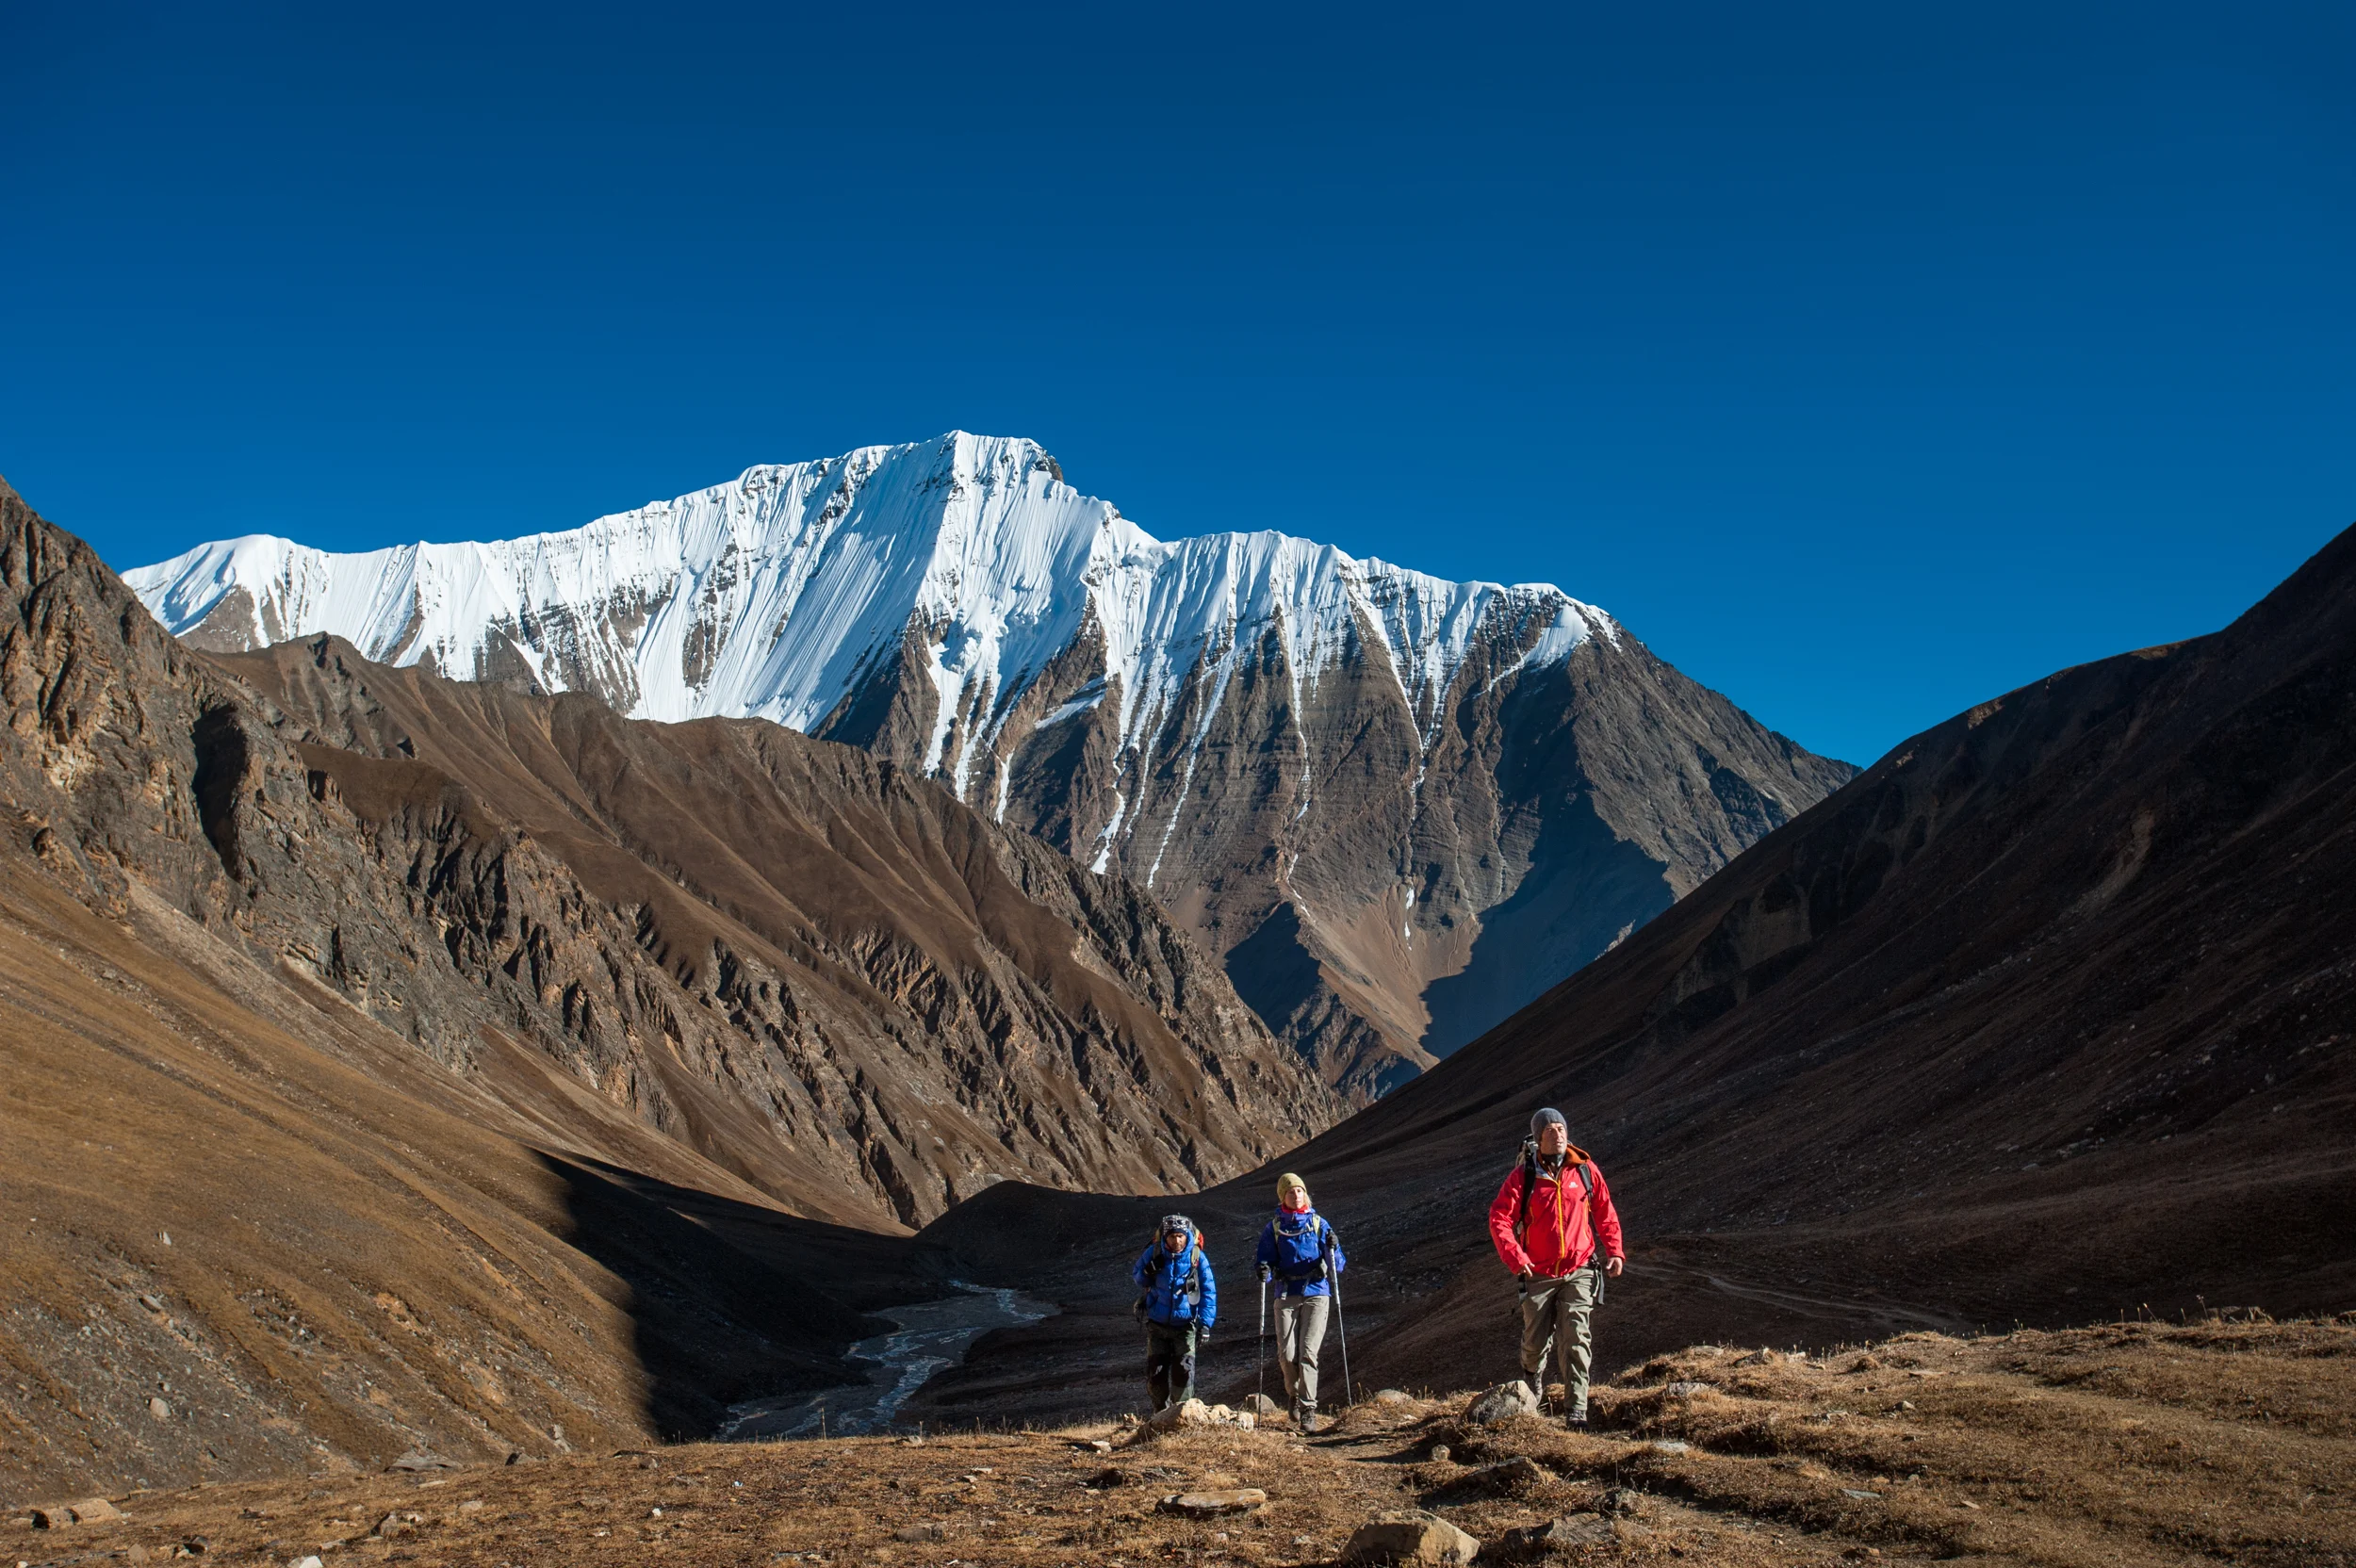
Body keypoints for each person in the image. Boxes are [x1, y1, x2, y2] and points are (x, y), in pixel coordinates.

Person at [1486, 1107, 1624, 1428]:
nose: (1558, 1134)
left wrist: (1614, 1250)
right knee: (1535, 1341)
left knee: (1576, 1337)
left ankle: (1576, 1410)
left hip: (1580, 1268)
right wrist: (1516, 1257)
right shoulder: (1525, 1176)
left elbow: (1604, 1210)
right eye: (1550, 1130)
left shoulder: (1585, 1170)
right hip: (1538, 1272)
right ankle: (1532, 1376)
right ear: (1539, 1138)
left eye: (1561, 1128)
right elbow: (1499, 1219)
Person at [1254, 1172, 1346, 1432]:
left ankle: (1308, 1409)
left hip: (1317, 1291)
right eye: (1291, 1192)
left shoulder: (1319, 1223)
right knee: (1287, 1355)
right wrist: (1264, 1271)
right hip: (1286, 1293)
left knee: (1308, 1353)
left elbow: (1337, 1265)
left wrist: (1334, 1248)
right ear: (1283, 1196)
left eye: (1300, 1191)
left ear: (1306, 1194)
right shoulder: (1273, 1228)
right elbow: (1265, 1261)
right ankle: (1293, 1395)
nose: (1296, 1195)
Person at [1132, 1213, 1218, 1412]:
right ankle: (1160, 1414)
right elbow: (1138, 1278)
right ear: (1165, 1237)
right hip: (1157, 1325)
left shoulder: (1197, 1257)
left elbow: (1208, 1291)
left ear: (1187, 1236)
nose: (1176, 1240)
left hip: (1186, 1325)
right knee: (1156, 1373)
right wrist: (1148, 1271)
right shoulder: (1154, 1253)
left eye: (1180, 1236)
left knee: (1184, 1373)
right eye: (1172, 1236)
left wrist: (1205, 1324)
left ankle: (1181, 1414)